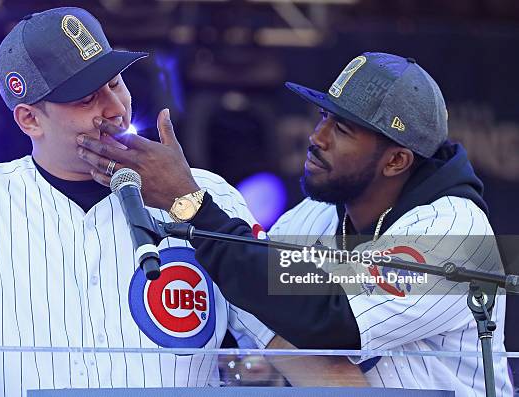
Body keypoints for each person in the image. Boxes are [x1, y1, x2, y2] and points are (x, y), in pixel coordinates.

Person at [0, 7, 365, 397]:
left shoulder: (210, 194)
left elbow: (291, 347)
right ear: (30, 119)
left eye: (116, 83)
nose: (114, 108)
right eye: (86, 98)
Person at [77, 52, 512, 395]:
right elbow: (254, 292)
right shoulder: (316, 215)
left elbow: (332, 316)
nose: (316, 136)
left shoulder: (455, 230)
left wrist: (188, 202)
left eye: (341, 129)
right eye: (323, 116)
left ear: (396, 160)